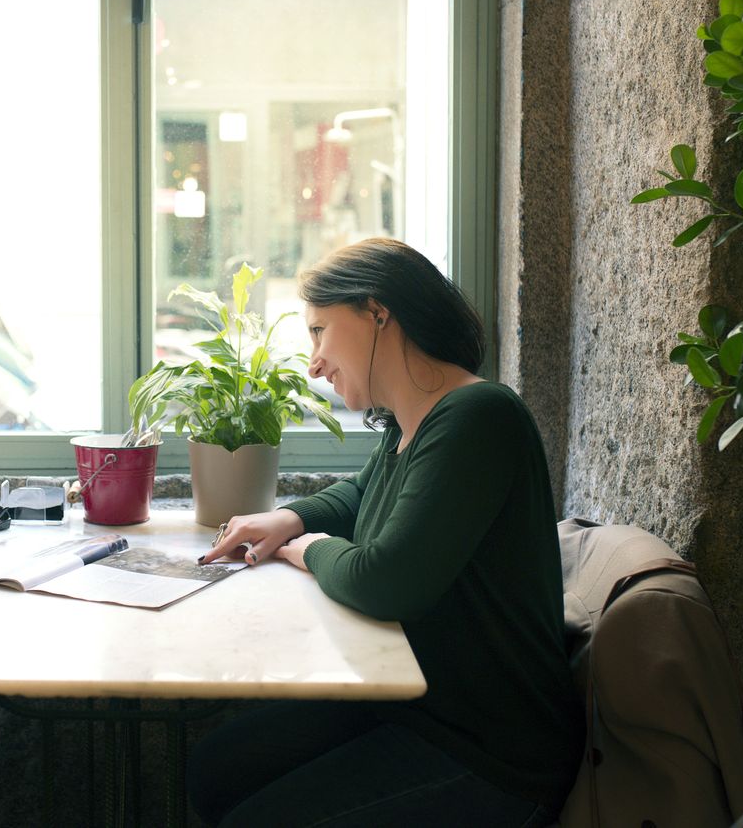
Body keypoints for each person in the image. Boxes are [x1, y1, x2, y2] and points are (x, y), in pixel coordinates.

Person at [189, 238, 582, 827]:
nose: (314, 360)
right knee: (212, 768)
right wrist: (289, 518)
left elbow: (385, 581)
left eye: (320, 331)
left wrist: (311, 549)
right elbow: (360, 495)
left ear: (378, 312)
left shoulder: (480, 417)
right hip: (413, 705)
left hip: (489, 750)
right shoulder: (411, 422)